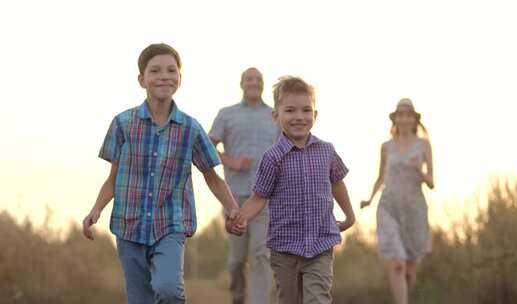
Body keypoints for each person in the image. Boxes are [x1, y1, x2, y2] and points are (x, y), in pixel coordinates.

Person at [82, 43, 241, 304]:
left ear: (180, 78)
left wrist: (233, 208)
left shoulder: (190, 128)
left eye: (171, 70)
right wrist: (95, 210)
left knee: (168, 290)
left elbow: (212, 176)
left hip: (170, 224)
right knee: (140, 298)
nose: (164, 76)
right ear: (142, 79)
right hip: (128, 224)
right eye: (155, 71)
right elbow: (113, 179)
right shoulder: (123, 123)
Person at [232, 76, 356, 304]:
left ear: (315, 116)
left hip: (320, 243)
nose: (299, 117)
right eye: (290, 110)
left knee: (317, 299)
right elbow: (260, 196)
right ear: (275, 116)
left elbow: (337, 182)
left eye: (306, 110)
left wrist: (349, 214)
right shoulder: (272, 157)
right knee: (289, 299)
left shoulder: (326, 151)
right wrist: (241, 218)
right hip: (285, 248)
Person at [209, 67, 279, 304]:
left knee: (262, 255)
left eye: (258, 79)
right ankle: (238, 298)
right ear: (242, 84)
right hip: (233, 197)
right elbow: (208, 148)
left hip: (265, 198)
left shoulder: (275, 116)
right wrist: (232, 161)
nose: (254, 82)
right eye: (249, 78)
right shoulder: (226, 114)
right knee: (237, 260)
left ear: (262, 84)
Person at [361, 98, 434, 304]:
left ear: (414, 119)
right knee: (397, 263)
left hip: (414, 210)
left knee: (409, 268)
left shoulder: (424, 145)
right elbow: (380, 177)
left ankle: (405, 298)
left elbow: (432, 183)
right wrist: (369, 199)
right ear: (395, 119)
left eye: (408, 115)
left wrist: (419, 170)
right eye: (400, 115)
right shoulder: (386, 146)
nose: (404, 119)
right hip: (389, 206)